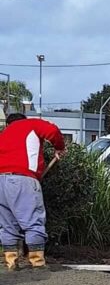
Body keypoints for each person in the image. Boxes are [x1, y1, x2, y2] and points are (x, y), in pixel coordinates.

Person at [0, 112, 66, 270]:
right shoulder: (31, 124)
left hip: (1, 181)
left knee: (7, 225)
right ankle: (37, 265)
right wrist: (59, 147)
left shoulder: (3, 134)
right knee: (33, 222)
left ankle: (11, 264)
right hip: (23, 179)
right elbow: (52, 131)